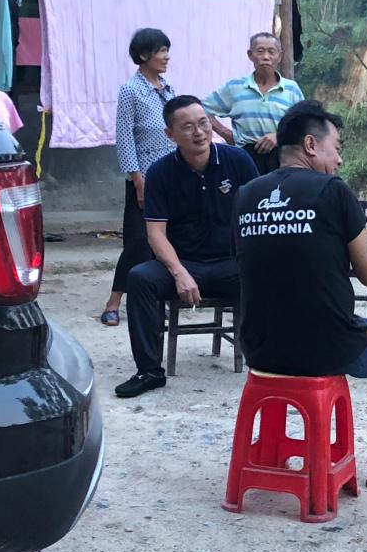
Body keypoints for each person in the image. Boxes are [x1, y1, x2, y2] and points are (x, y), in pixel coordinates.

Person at [234, 100, 367, 489]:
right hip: (325, 346)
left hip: (258, 347)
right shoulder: (333, 191)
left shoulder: (246, 195)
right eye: (335, 147)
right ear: (310, 144)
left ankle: (268, 452)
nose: (338, 159)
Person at [114, 95, 259, 399]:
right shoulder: (160, 173)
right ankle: (149, 371)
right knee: (139, 278)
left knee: (269, 273)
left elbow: (259, 214)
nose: (199, 132)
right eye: (188, 127)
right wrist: (179, 272)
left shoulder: (238, 161)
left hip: (230, 263)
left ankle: (266, 362)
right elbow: (155, 234)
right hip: (185, 264)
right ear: (170, 134)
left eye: (203, 123)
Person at [101, 28, 177, 327]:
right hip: (143, 176)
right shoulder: (130, 90)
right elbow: (124, 138)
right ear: (144, 55)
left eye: (167, 50)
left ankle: (157, 300)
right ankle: (114, 301)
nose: (166, 57)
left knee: (166, 240)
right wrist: (137, 179)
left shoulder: (168, 89)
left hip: (170, 175)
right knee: (137, 241)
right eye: (161, 51)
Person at [202, 32, 304, 175]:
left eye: (271, 52)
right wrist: (226, 134)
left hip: (281, 159)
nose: (266, 57)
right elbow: (201, 109)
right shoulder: (235, 87)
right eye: (260, 51)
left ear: (279, 56)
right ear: (250, 55)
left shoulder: (291, 89)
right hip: (245, 157)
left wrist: (278, 135)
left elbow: (303, 123)